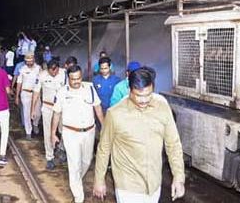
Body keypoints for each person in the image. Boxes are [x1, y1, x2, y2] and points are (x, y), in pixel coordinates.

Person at [94, 66, 185, 203]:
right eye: (138, 96)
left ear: (153, 88)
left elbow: (173, 143)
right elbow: (104, 148)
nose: (143, 100)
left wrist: (178, 177)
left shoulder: (162, 106)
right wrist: (99, 180)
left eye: (148, 95)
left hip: (154, 184)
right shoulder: (115, 114)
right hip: (128, 186)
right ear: (130, 90)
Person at [50, 65, 104, 203]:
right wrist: (53, 133)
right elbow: (56, 113)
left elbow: (97, 107)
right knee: (74, 164)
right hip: (70, 133)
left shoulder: (90, 89)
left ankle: (76, 181)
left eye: (78, 78)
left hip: (89, 132)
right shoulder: (62, 92)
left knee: (86, 161)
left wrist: (104, 126)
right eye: (73, 79)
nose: (76, 81)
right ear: (68, 78)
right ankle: (78, 197)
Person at [31, 59, 66, 170]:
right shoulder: (42, 75)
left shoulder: (64, 73)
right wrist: (33, 109)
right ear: (48, 69)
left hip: (62, 107)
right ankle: (49, 157)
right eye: (51, 71)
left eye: (55, 71)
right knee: (48, 132)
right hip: (48, 107)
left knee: (64, 130)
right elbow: (36, 92)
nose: (54, 73)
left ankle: (61, 149)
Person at [15, 52, 42, 139]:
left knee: (38, 113)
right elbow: (19, 83)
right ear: (25, 61)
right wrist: (17, 96)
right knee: (26, 113)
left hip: (36, 93)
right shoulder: (22, 69)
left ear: (33, 60)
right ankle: (28, 132)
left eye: (31, 61)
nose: (29, 63)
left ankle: (35, 124)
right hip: (25, 93)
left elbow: (41, 82)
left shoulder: (38, 69)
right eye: (27, 61)